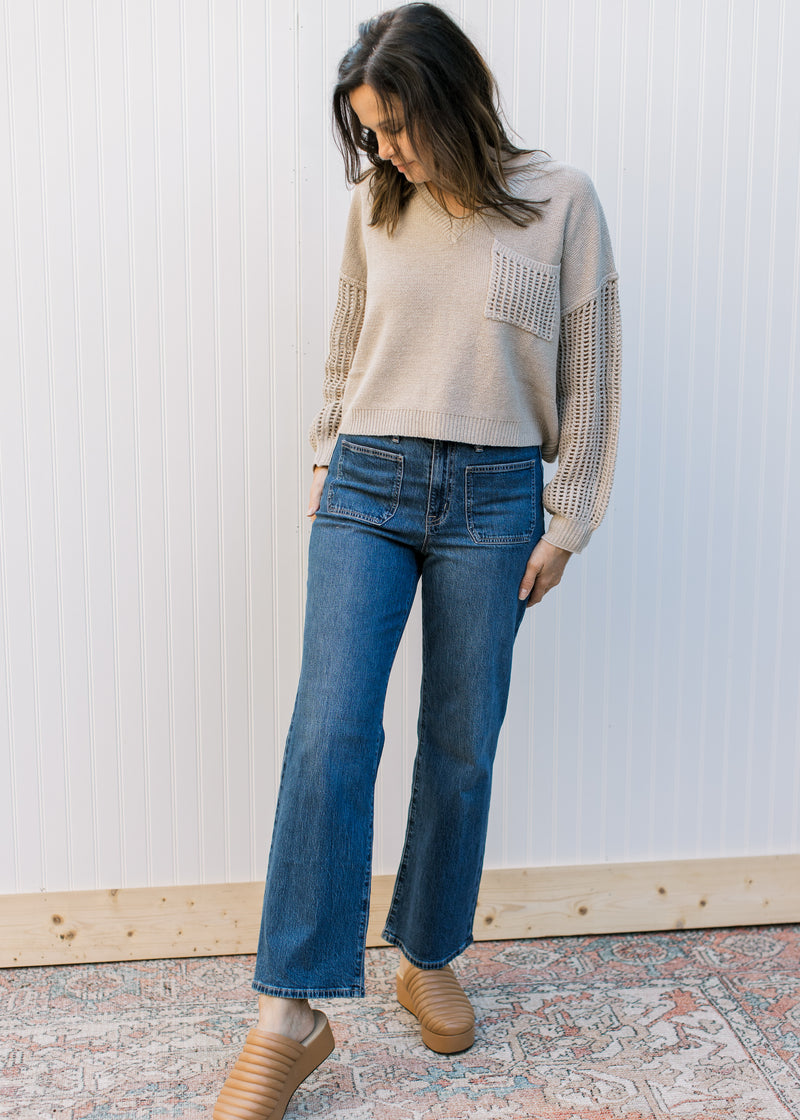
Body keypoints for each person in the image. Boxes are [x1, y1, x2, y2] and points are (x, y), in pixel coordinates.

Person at [213, 4, 621, 1118]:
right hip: (369, 482)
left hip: (495, 499)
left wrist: (568, 517)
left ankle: (426, 951)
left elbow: (591, 368)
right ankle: (288, 1012)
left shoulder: (559, 202)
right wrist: (321, 453)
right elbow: (346, 341)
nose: (383, 150)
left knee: (458, 744)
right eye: (369, 133)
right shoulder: (373, 205)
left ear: (452, 98)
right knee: (331, 726)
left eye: (395, 125)